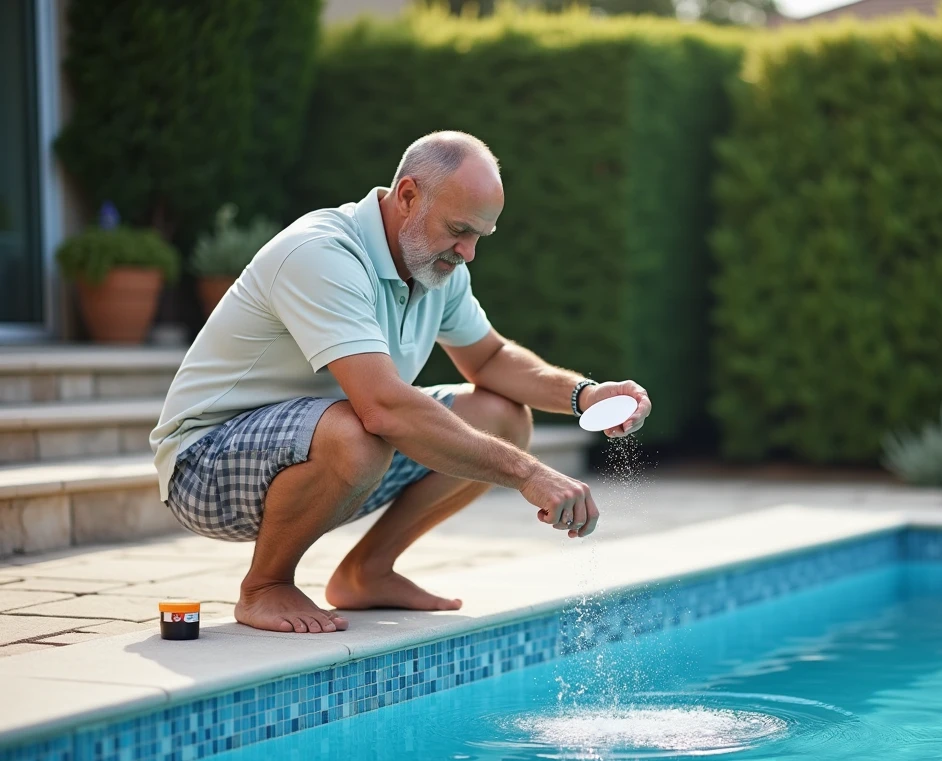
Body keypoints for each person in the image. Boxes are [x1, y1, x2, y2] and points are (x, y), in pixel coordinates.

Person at [150, 131, 652, 635]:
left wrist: (585, 394)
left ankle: (367, 572)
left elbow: (492, 357)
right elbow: (383, 407)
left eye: (480, 235)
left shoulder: (436, 266)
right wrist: (529, 474)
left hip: (328, 449)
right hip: (204, 465)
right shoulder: (323, 253)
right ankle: (264, 586)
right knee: (361, 429)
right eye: (459, 230)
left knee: (500, 416)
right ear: (408, 196)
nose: (469, 253)